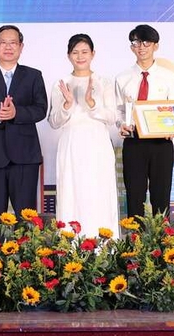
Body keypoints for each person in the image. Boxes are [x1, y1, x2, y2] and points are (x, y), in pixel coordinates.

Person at [0, 25, 48, 227]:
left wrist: (16, 113)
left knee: (26, 218)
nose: (8, 47)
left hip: (25, 156)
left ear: (21, 46)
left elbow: (41, 109)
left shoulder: (33, 76)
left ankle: (27, 250)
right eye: (3, 42)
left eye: (13, 42)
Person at [48, 34, 118, 237]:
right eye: (75, 52)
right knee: (71, 193)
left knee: (99, 193)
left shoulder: (104, 82)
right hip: (71, 144)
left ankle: (103, 246)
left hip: (98, 144)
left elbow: (112, 117)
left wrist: (91, 104)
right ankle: (71, 246)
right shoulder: (61, 84)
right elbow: (54, 121)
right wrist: (67, 104)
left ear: (93, 54)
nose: (80, 57)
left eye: (84, 52)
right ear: (68, 55)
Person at [114, 24, 174, 219]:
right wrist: (121, 124)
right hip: (133, 142)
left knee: (161, 196)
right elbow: (118, 111)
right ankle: (135, 238)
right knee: (134, 196)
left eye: (146, 43)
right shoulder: (122, 78)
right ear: (131, 47)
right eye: (136, 43)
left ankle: (162, 238)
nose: (141, 47)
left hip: (162, 143)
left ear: (155, 46)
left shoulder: (169, 77)